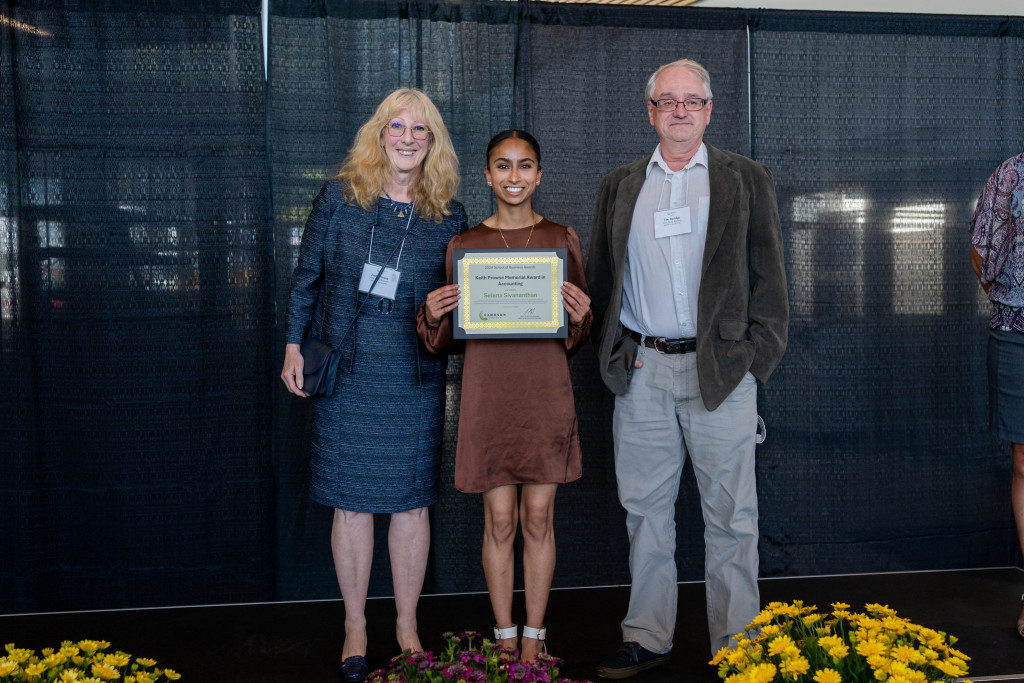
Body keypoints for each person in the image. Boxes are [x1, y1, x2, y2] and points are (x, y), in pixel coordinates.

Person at [585, 59, 789, 678]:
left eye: (691, 101)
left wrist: (755, 360)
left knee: (732, 517)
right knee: (645, 512)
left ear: (708, 109)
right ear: (649, 111)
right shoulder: (621, 184)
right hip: (642, 370)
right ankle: (648, 634)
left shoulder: (746, 179)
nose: (679, 110)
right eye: (667, 101)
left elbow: (771, 280)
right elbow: (601, 274)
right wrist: (610, 352)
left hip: (722, 372)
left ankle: (739, 648)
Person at [281, 88, 467, 682]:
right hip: (348, 369)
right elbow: (306, 277)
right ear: (379, 134)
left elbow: (462, 304)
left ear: (433, 142)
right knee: (352, 506)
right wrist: (292, 344)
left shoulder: (450, 213)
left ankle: (407, 627)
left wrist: (446, 307)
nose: (408, 137)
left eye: (421, 130)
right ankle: (356, 627)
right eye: (397, 126)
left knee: (411, 505)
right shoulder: (340, 196)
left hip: (414, 372)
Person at [417, 130, 592, 662]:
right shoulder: (464, 245)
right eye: (503, 166)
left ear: (540, 175)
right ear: (488, 175)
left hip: (544, 396)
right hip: (489, 396)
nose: (514, 177)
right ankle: (503, 632)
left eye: (525, 166)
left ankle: (535, 637)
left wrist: (584, 318)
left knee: (538, 518)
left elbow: (576, 330)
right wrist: (431, 312)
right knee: (499, 521)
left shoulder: (563, 238)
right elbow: (444, 340)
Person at [969, 152, 1024, 638]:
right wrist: (1003, 290)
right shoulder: (1013, 172)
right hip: (1016, 329)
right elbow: (982, 245)